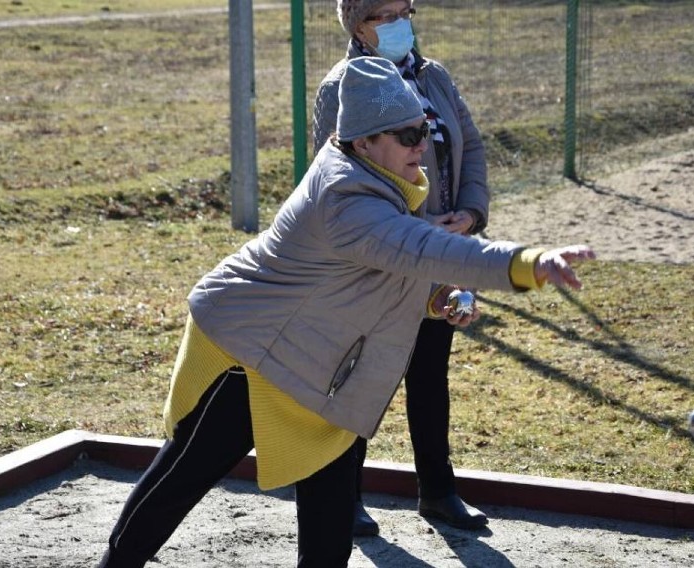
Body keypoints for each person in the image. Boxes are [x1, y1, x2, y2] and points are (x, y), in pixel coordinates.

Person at [97, 56, 594, 568]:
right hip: (247, 347)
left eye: (423, 128)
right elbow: (425, 249)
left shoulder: (382, 178)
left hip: (317, 363)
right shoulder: (346, 194)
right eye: (404, 134)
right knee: (185, 476)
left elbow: (383, 267)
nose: (421, 144)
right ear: (362, 141)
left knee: (330, 509)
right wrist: (528, 263)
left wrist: (434, 299)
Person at [313, 0, 493, 534]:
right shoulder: (341, 85)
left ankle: (438, 492)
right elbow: (334, 175)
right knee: (363, 379)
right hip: (379, 261)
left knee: (430, 377)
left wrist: (471, 212)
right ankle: (340, 497)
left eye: (405, 10)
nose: (400, 24)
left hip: (439, 259)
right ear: (358, 25)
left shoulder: (433, 76)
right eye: (385, 14)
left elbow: (472, 147)